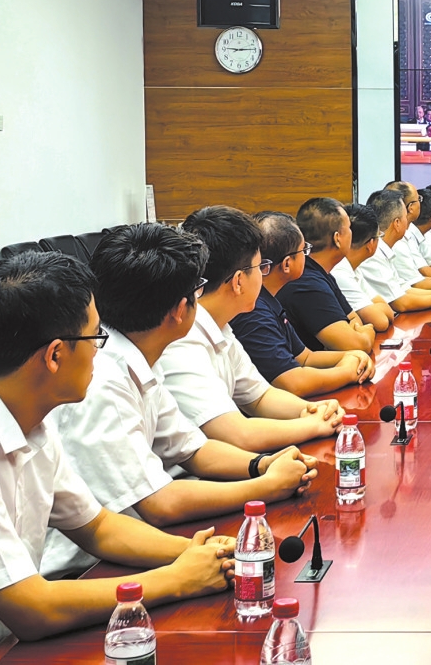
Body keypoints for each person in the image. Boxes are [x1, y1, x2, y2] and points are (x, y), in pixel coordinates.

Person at [0, 252, 238, 658]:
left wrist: (198, 553)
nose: (101, 352)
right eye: (96, 338)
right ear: (55, 355)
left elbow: (97, 527)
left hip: (18, 640)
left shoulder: (25, 411)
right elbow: (32, 609)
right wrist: (176, 580)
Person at [42, 223, 317, 578]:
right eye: (197, 291)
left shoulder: (139, 355)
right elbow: (159, 504)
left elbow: (193, 449)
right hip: (86, 570)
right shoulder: (104, 381)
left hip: (144, 543)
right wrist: (264, 486)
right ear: (179, 309)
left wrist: (263, 465)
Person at [162, 206, 349, 452]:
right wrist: (313, 425)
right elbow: (238, 434)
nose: (263, 276)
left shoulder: (221, 326)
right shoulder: (181, 340)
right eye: (260, 267)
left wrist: (313, 409)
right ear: (239, 281)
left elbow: (260, 397)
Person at [226, 211, 375, 399]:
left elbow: (305, 358)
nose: (308, 256)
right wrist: (348, 372)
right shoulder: (253, 310)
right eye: (304, 251)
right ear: (287, 264)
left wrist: (352, 357)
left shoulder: (270, 299)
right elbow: (293, 383)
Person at [277, 198, 376, 354]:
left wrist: (355, 333)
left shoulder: (322, 272)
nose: (351, 233)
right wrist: (368, 332)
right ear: (337, 238)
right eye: (349, 228)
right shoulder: (306, 283)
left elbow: (354, 319)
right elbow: (357, 345)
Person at [356, 190, 431, 311]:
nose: (409, 223)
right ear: (397, 223)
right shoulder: (374, 254)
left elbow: (403, 288)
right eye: (405, 217)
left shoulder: (385, 248)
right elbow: (400, 303)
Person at [333, 202, 396, 332]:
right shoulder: (339, 272)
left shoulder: (353, 267)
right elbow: (381, 321)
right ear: (371, 244)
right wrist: (375, 309)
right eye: (379, 236)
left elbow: (387, 311)